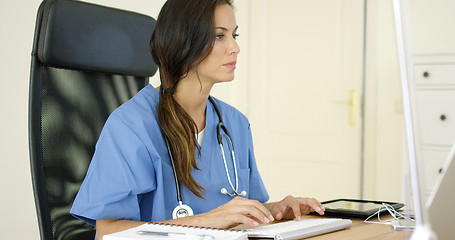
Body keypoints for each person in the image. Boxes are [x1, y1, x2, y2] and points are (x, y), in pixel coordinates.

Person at [70, 0, 325, 239]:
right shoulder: (130, 127)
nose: (235, 47)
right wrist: (209, 220)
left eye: (233, 35)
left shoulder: (235, 124)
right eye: (219, 36)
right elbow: (108, 233)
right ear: (184, 41)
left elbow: (239, 213)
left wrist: (278, 209)